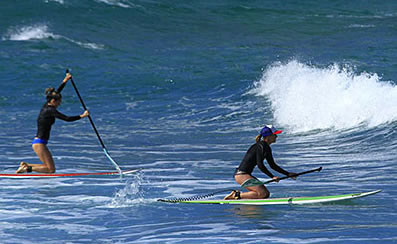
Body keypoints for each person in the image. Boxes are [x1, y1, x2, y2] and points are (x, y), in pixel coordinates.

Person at [16, 73, 89, 174]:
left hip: (40, 143)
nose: (60, 104)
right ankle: (27, 169)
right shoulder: (50, 110)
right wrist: (82, 116)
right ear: (53, 101)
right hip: (39, 144)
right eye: (59, 102)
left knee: (49, 168)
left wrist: (65, 80)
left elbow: (56, 92)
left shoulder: (47, 105)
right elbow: (67, 118)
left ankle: (26, 166)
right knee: (50, 170)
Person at [224, 125, 297, 200]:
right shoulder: (261, 146)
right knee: (263, 194)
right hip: (242, 175)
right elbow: (260, 165)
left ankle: (241, 199)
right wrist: (272, 176)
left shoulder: (266, 147)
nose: (276, 136)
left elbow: (272, 165)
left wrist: (288, 174)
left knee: (264, 194)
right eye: (274, 134)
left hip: (244, 175)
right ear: (268, 136)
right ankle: (235, 195)